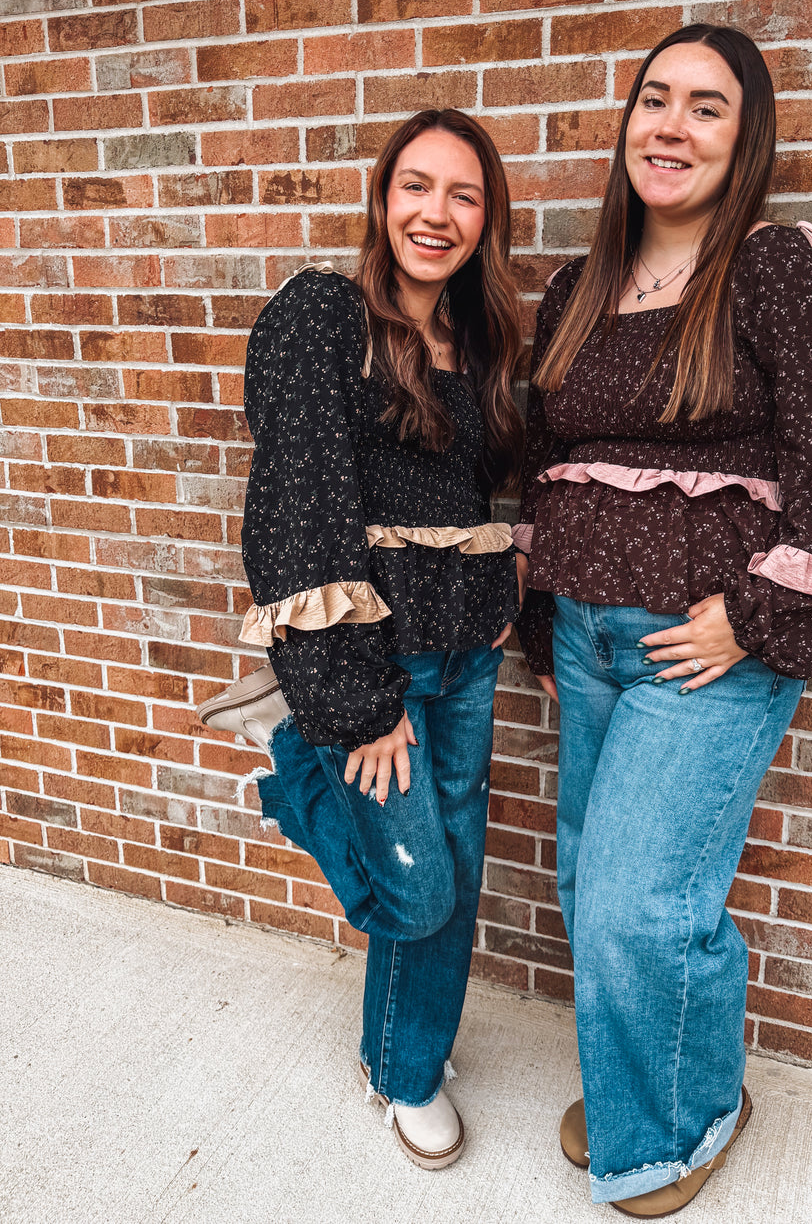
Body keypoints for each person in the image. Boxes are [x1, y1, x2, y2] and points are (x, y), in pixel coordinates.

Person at [515, 24, 812, 1216]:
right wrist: (541, 623)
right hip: (585, 635)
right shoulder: (577, 289)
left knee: (641, 905)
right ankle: (662, 1082)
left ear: (745, 141)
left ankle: (678, 1126)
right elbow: (544, 467)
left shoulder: (778, 268)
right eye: (654, 99)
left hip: (702, 652)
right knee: (589, 882)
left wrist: (749, 618)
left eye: (705, 107)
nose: (671, 127)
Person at [197, 109, 526, 1169]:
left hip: (467, 657)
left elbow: (470, 496)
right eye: (416, 186)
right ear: (383, 199)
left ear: (486, 219)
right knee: (418, 888)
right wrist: (352, 702)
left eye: (464, 195)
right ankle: (299, 759)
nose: (437, 212)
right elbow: (297, 512)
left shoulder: (475, 344)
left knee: (453, 877)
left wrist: (505, 578)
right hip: (378, 666)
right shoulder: (325, 314)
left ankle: (402, 1062)